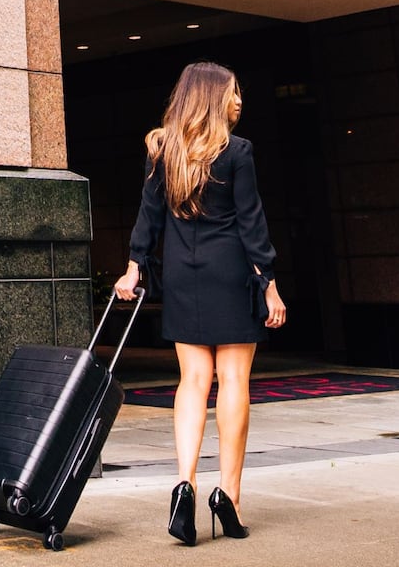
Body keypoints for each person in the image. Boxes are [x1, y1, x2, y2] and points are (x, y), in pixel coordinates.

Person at [114, 61, 285, 544]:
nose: (239, 101)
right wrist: (268, 281)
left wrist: (134, 266)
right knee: (233, 380)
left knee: (192, 381)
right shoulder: (237, 152)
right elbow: (251, 222)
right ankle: (227, 496)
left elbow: (148, 215)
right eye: (233, 93)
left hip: (184, 277)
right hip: (231, 273)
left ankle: (184, 484)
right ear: (213, 99)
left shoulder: (162, 150)